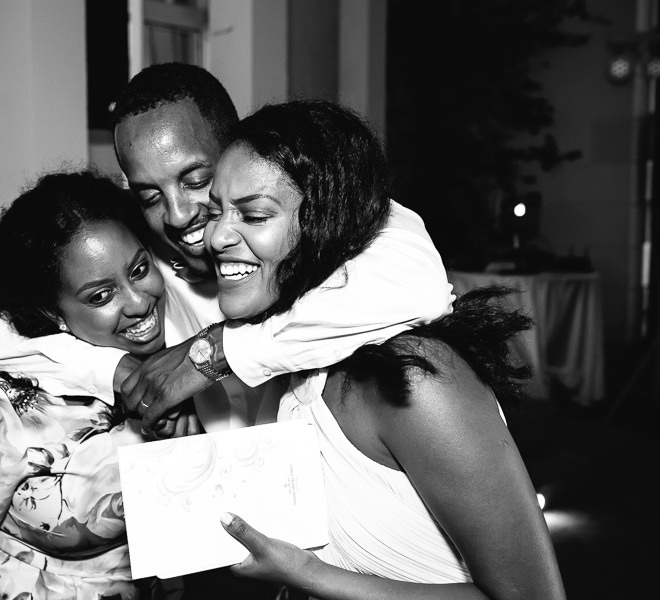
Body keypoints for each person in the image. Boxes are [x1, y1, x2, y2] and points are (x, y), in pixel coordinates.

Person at [0, 63, 454, 437]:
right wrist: (115, 373)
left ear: (235, 153)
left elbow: (420, 285)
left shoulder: (308, 213)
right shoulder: (139, 255)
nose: (179, 214)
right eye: (149, 194)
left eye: (196, 179)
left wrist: (215, 352)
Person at [205, 100, 566, 599]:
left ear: (326, 223)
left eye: (254, 214)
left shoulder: (415, 377)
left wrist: (307, 574)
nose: (216, 235)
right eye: (216, 211)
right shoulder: (298, 361)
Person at [0, 171, 181, 600]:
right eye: (100, 296)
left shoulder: (181, 361)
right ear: (53, 313)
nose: (139, 301)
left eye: (139, 270)